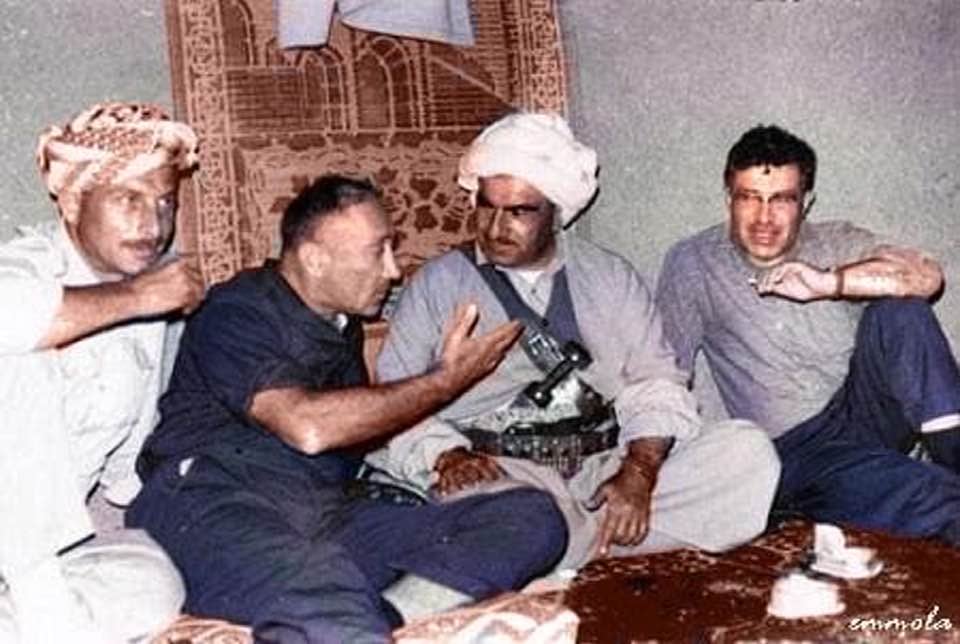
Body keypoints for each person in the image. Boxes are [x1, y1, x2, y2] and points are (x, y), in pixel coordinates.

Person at [128, 174, 568, 642]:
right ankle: (346, 617)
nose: (394, 271)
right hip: (212, 503)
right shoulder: (237, 309)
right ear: (314, 259)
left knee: (531, 517)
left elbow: (364, 428)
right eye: (377, 251)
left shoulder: (341, 325)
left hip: (321, 512)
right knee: (324, 590)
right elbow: (306, 426)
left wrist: (441, 455)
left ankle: (386, 620)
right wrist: (443, 381)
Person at [367, 112, 780, 568]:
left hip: (602, 468)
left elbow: (657, 383)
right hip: (503, 474)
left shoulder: (609, 275)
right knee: (501, 508)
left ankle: (559, 544)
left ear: (556, 213)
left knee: (747, 454)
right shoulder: (437, 283)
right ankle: (582, 537)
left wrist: (638, 473)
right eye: (487, 206)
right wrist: (447, 457)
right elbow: (391, 403)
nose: (496, 227)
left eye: (519, 211)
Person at [655, 124, 960, 545]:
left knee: (902, 311)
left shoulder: (834, 241)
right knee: (939, 499)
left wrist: (828, 282)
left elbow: (927, 277)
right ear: (728, 198)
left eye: (782, 199)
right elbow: (665, 372)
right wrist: (648, 467)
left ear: (806, 201)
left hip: (860, 411)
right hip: (799, 452)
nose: (764, 218)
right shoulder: (693, 263)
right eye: (749, 198)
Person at [0, 102, 204, 643]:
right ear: (71, 201)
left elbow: (121, 482)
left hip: (38, 555)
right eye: (128, 198)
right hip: (24, 556)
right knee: (23, 353)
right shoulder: (28, 263)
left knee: (154, 579)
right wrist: (138, 297)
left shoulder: (148, 297)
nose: (153, 224)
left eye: (165, 202)